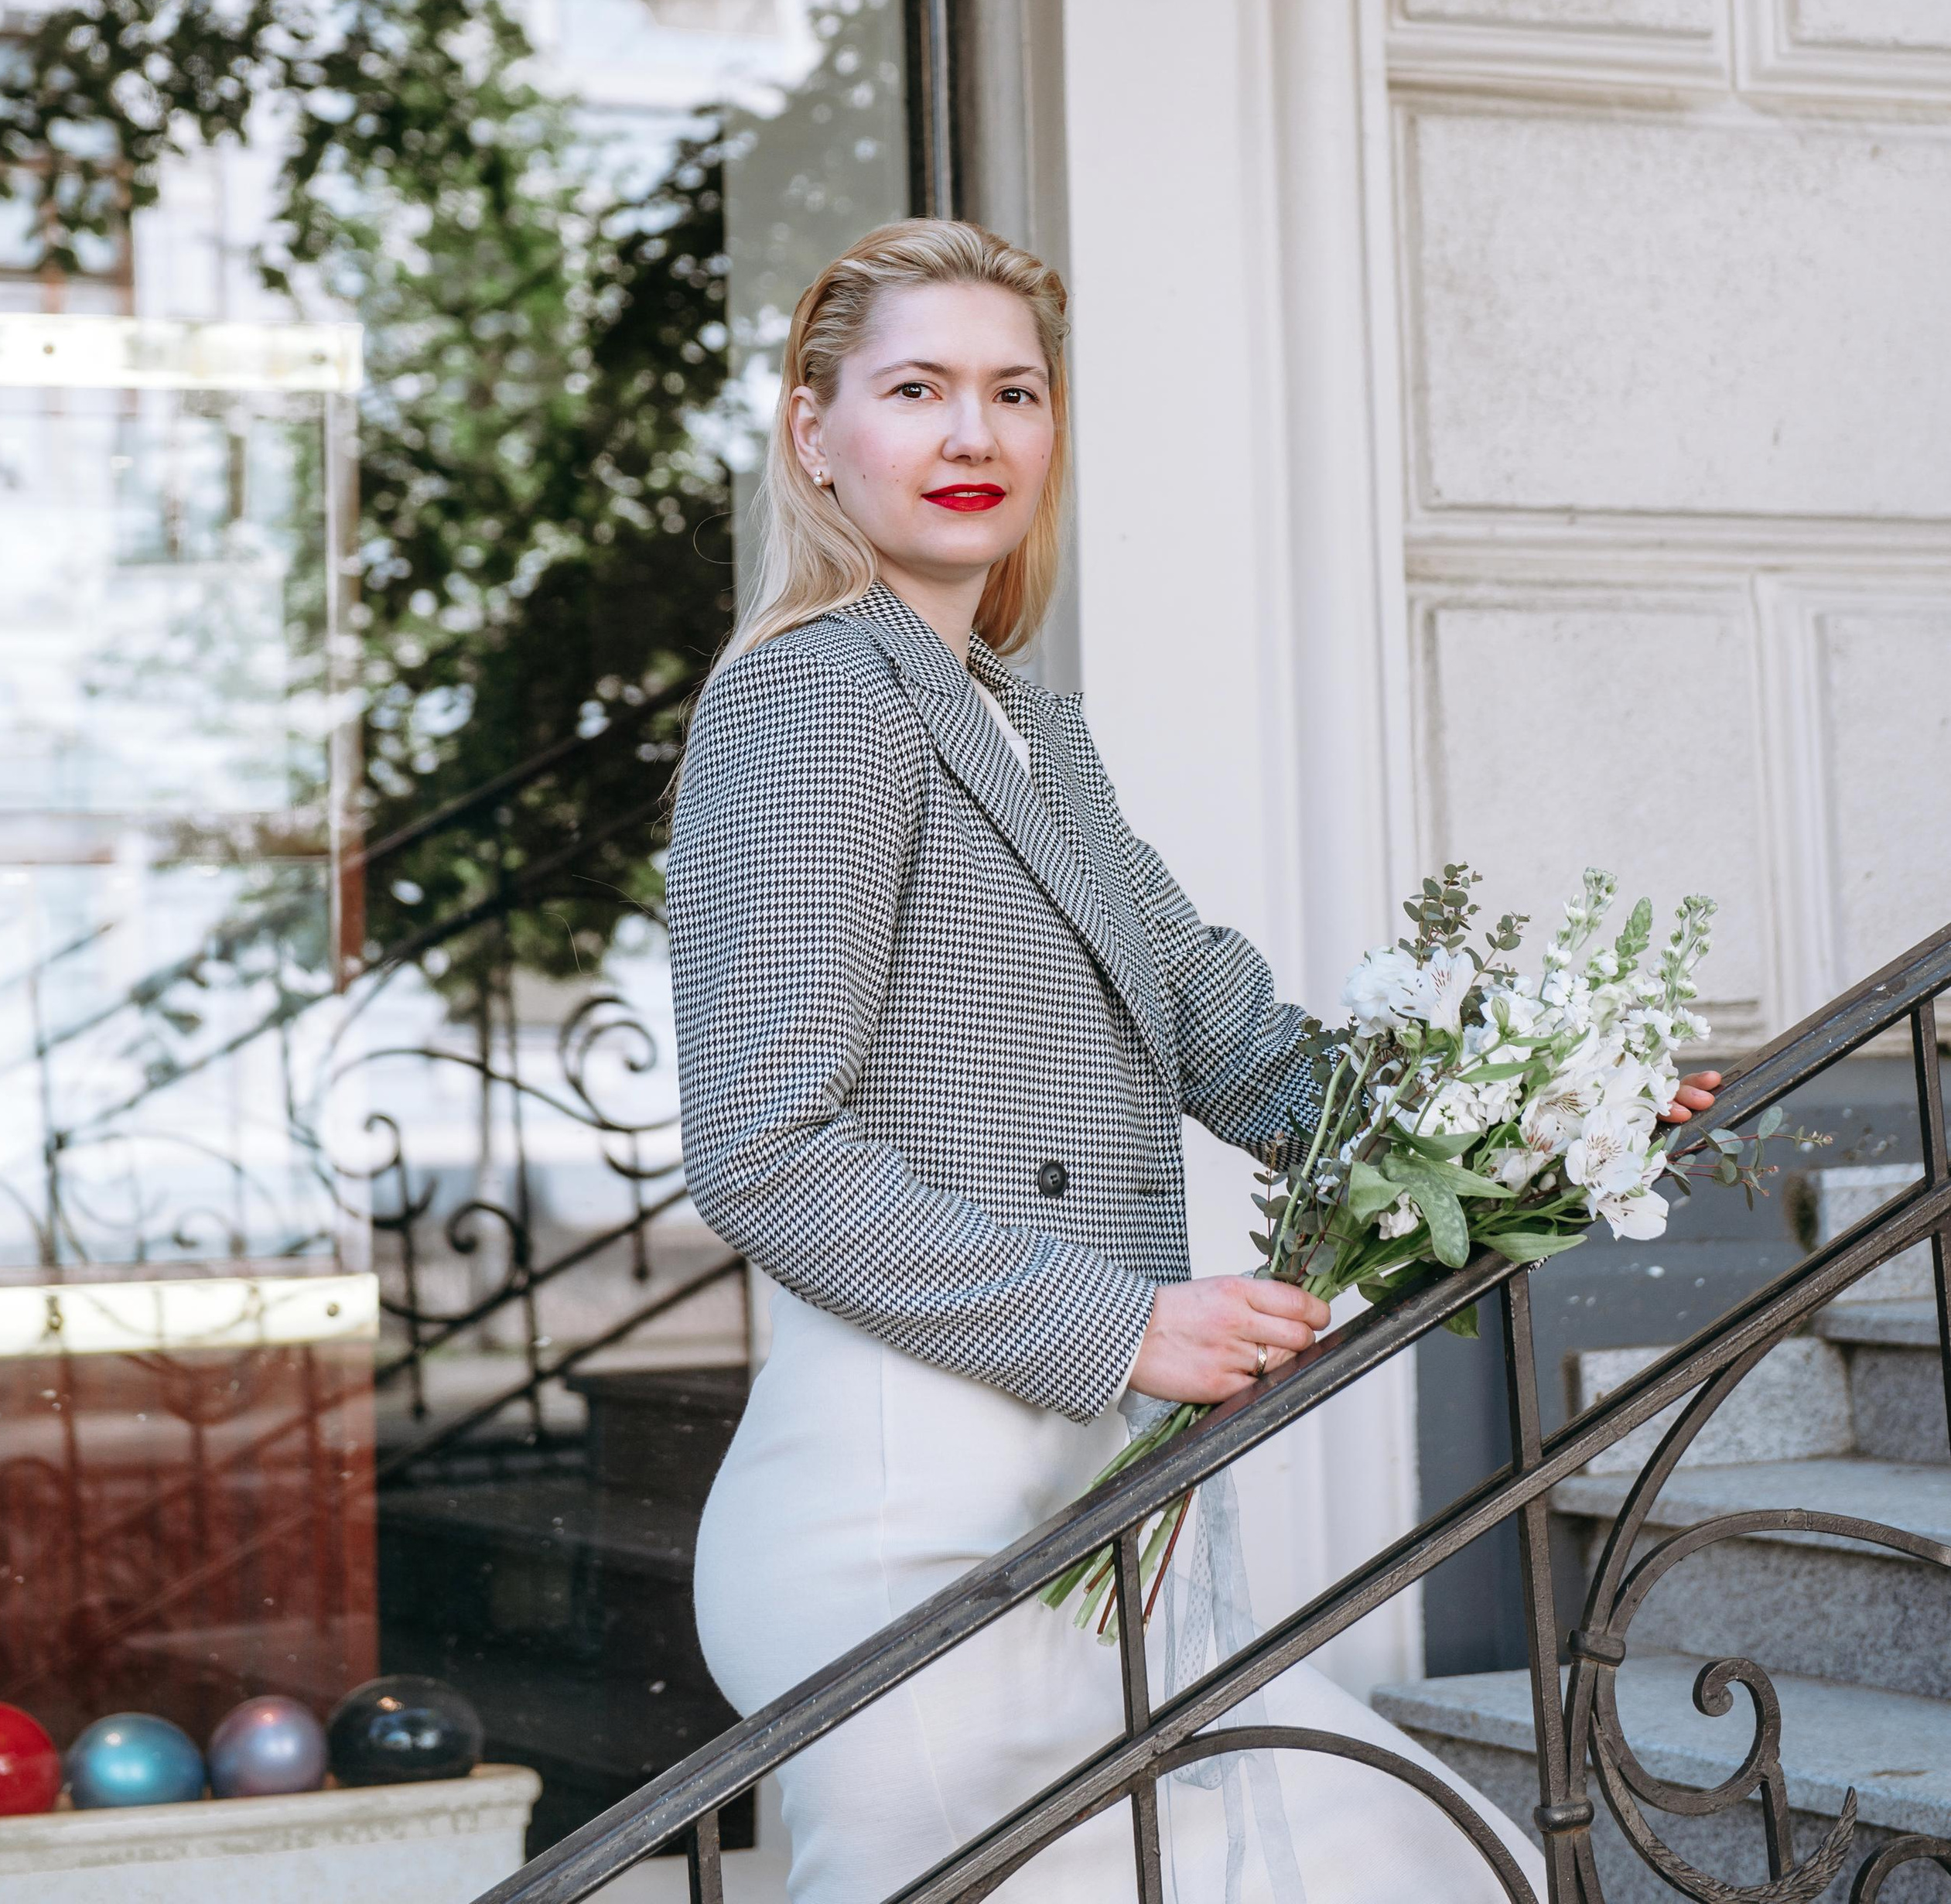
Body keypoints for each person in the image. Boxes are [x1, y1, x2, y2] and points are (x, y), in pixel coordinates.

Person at [670, 219, 1721, 1904]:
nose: (972, 436)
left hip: (1081, 1516)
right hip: (908, 1518)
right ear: (813, 430)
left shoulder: (1016, 718)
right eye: (916, 389)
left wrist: (1550, 1109)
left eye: (1013, 390)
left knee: (1412, 1857)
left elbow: (1227, 1036)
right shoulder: (811, 699)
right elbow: (759, 1146)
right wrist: (1123, 1324)